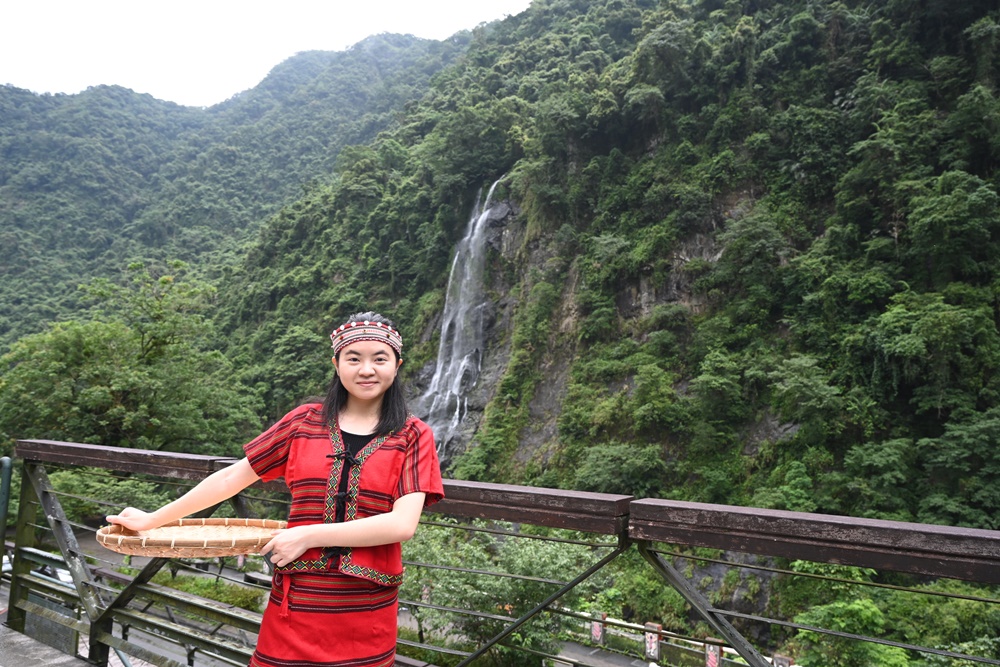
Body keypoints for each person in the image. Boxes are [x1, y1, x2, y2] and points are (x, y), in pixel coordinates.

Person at [107, 312, 444, 667]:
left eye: (380, 358)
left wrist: (307, 536)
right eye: (354, 358)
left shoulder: (413, 434)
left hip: (366, 606)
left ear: (397, 365)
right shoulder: (303, 422)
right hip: (296, 602)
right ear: (336, 363)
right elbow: (228, 480)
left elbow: (402, 524)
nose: (366, 369)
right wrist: (153, 519)